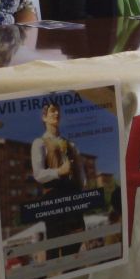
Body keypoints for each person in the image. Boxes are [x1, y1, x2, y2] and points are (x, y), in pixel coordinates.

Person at [30, 102, 86, 258]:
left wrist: (80, 188)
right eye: (52, 111)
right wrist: (59, 171)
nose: (56, 114)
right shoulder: (39, 143)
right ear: (44, 117)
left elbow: (81, 173)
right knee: (55, 246)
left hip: (73, 197)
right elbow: (38, 174)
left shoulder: (71, 144)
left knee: (76, 242)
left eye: (58, 111)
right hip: (54, 197)